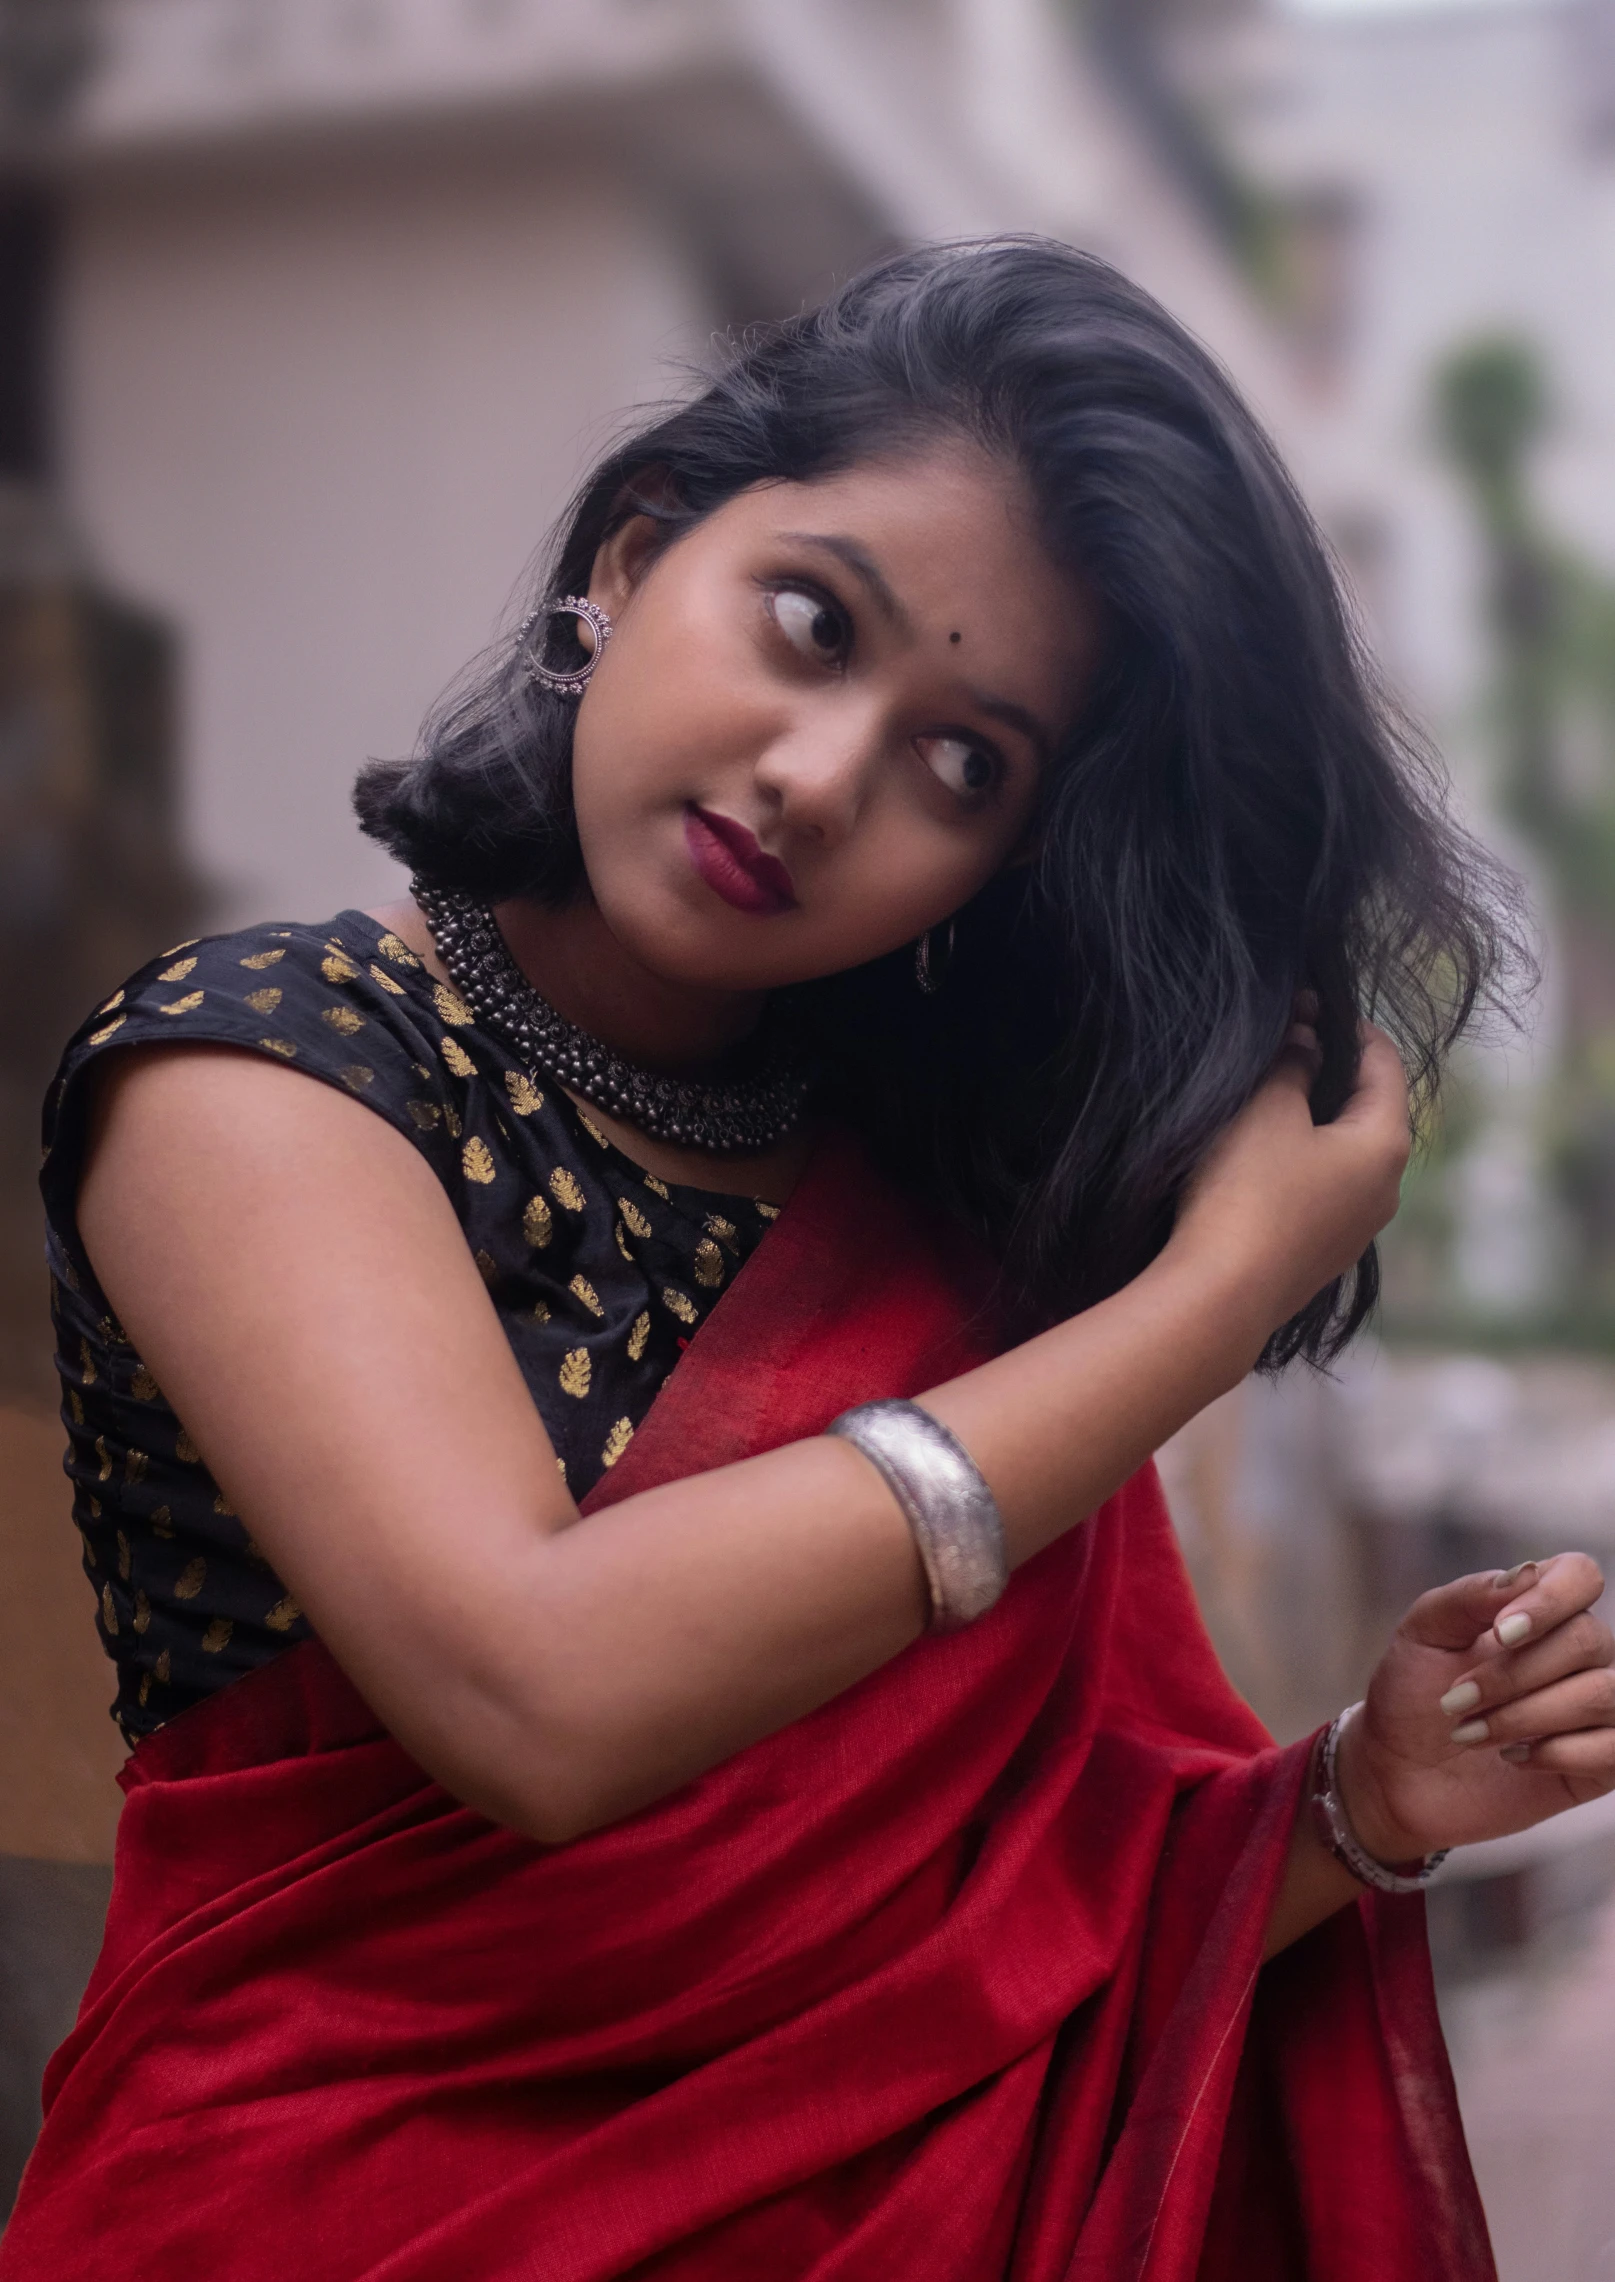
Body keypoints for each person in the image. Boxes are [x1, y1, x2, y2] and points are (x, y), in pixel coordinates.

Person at [3, 238, 1608, 2281]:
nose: (819, 774)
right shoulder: (265, 1070)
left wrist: (1356, 1809)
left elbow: (997, 1950)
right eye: (807, 620)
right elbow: (536, 1688)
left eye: (966, 764)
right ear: (633, 553)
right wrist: (1206, 1302)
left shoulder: (939, 1231)